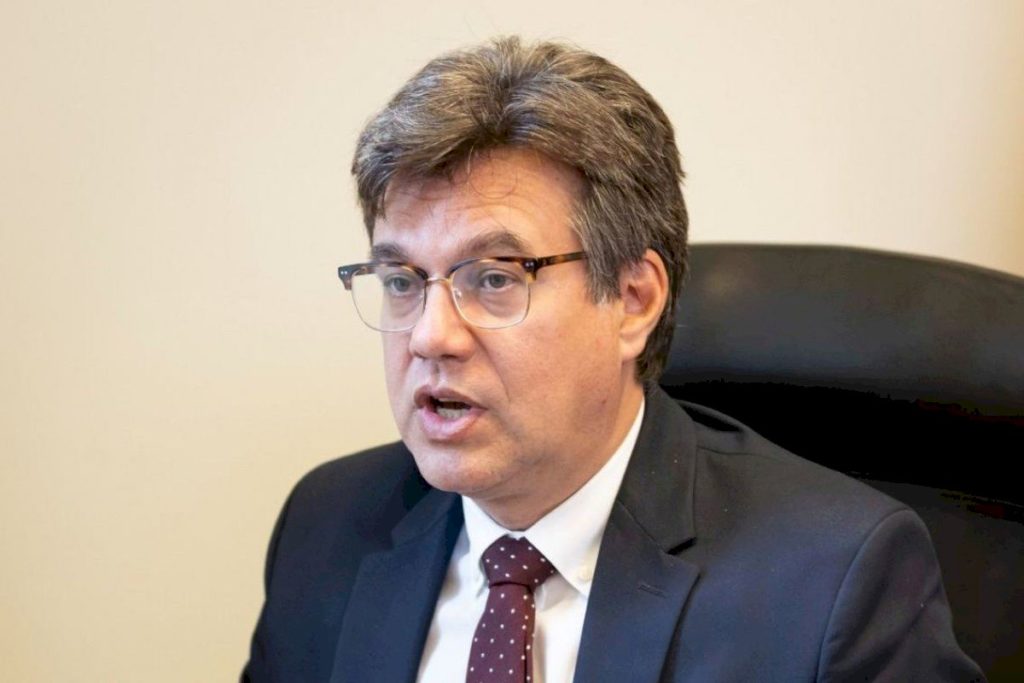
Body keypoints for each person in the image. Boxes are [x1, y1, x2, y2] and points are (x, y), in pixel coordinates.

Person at [242, 37, 983, 682]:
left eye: (494, 278)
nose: (431, 336)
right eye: (403, 281)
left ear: (633, 300)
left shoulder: (833, 580)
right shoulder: (329, 526)